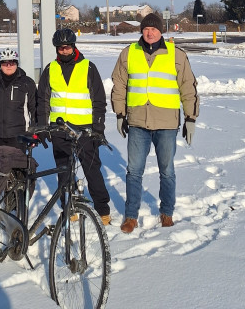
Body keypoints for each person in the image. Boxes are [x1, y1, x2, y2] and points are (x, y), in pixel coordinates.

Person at [111, 13, 199, 232]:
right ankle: (131, 216)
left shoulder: (176, 55)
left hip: (167, 123)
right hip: (138, 122)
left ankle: (167, 213)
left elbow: (188, 87)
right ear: (141, 30)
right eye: (146, 29)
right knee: (133, 171)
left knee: (167, 171)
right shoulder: (129, 53)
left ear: (161, 31)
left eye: (154, 29)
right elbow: (119, 85)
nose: (150, 33)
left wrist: (190, 118)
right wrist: (120, 114)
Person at [37, 28, 111, 226]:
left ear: (73, 46)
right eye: (61, 48)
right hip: (59, 130)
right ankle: (68, 206)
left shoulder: (88, 67)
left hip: (84, 130)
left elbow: (99, 100)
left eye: (67, 47)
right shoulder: (50, 69)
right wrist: (43, 126)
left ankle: (102, 209)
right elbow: (42, 100)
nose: (64, 51)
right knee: (64, 171)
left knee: (92, 170)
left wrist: (98, 127)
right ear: (56, 49)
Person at [0, 48, 37, 152]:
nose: (8, 66)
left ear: (17, 64)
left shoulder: (27, 83)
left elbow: (34, 108)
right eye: (5, 63)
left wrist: (34, 130)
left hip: (19, 133)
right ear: (0, 65)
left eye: (12, 63)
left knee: (17, 161)